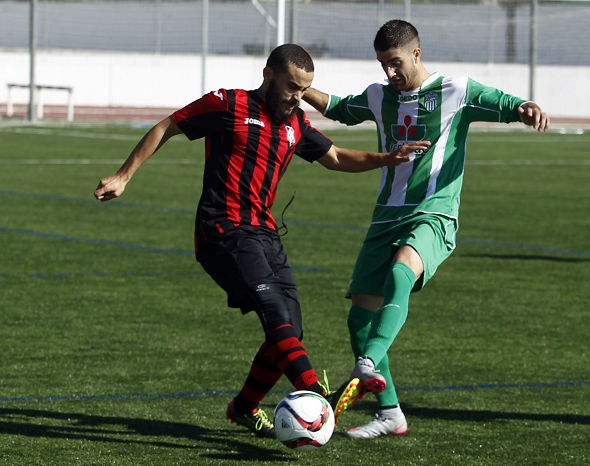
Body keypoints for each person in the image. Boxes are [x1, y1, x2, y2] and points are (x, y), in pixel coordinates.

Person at [94, 44, 429, 438]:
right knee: (274, 311)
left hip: (266, 235)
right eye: (291, 86)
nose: (297, 96)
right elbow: (168, 125)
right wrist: (124, 175)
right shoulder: (228, 103)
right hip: (222, 230)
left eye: (304, 90)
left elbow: (336, 156)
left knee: (290, 328)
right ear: (268, 74)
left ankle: (244, 407)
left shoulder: (297, 124)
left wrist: (386, 158)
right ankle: (319, 395)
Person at [302, 20, 550, 439]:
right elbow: (342, 108)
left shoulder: (456, 90)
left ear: (416, 53)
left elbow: (506, 103)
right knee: (359, 318)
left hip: (434, 213)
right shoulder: (380, 96)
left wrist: (526, 108)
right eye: (382, 64)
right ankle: (390, 413)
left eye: (395, 63)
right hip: (385, 216)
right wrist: (297, 87)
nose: (389, 73)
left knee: (402, 271)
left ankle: (367, 365)